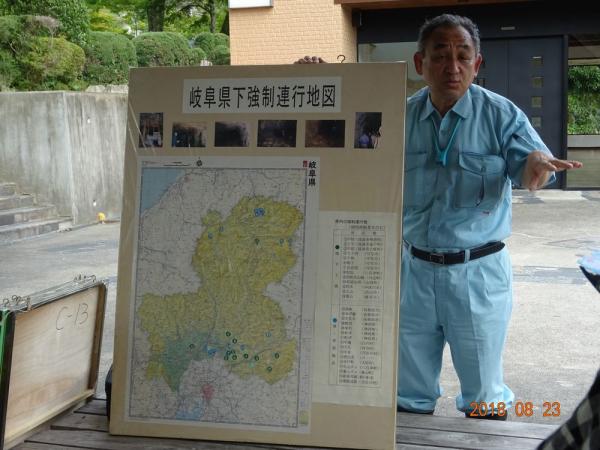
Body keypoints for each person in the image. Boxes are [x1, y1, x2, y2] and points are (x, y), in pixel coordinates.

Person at [296, 13, 582, 419]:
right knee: (407, 396)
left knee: (484, 400)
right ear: (420, 63)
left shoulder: (502, 115)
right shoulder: (398, 117)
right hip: (412, 271)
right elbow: (346, 146)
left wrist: (536, 165)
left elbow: (532, 166)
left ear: (477, 64)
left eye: (463, 56)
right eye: (441, 55)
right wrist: (325, 85)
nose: (453, 67)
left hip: (477, 274)